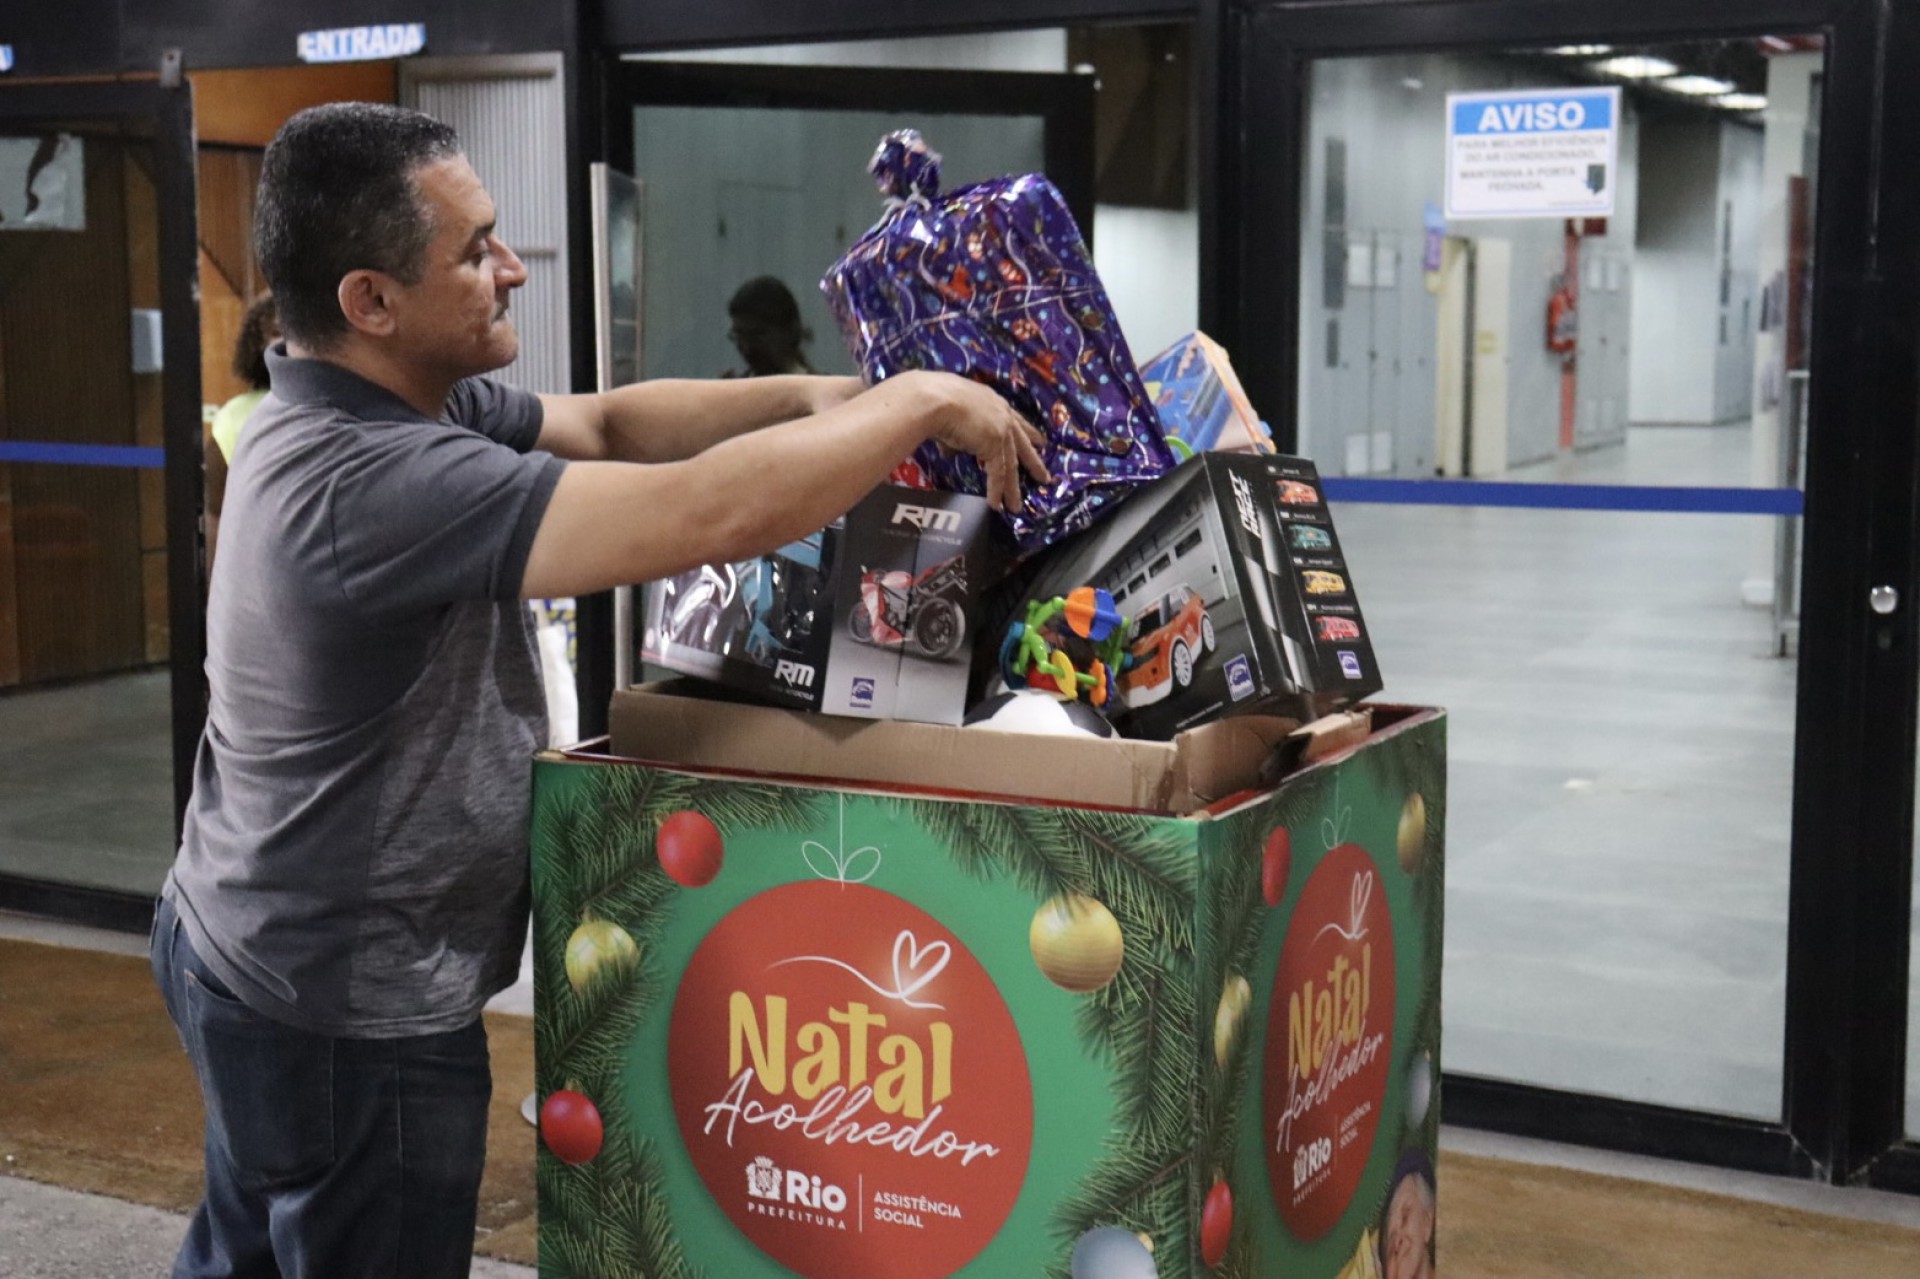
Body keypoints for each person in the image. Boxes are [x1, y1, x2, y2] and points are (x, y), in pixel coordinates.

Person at [148, 101, 1045, 1279]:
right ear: (372, 301)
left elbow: (617, 423)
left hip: (245, 943)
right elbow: (704, 511)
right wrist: (917, 407)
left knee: (250, 1249)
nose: (511, 269)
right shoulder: (376, 480)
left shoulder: (351, 398)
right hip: (345, 1010)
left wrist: (824, 397)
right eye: (473, 252)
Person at [202, 293, 279, 567]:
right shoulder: (234, 416)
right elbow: (215, 516)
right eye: (275, 332)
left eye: (294, 331)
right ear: (255, 345)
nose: (285, 343)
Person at [724, 274, 816, 376]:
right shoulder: (738, 389)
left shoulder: (823, 389)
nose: (747, 348)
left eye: (756, 335)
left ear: (790, 331)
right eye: (739, 337)